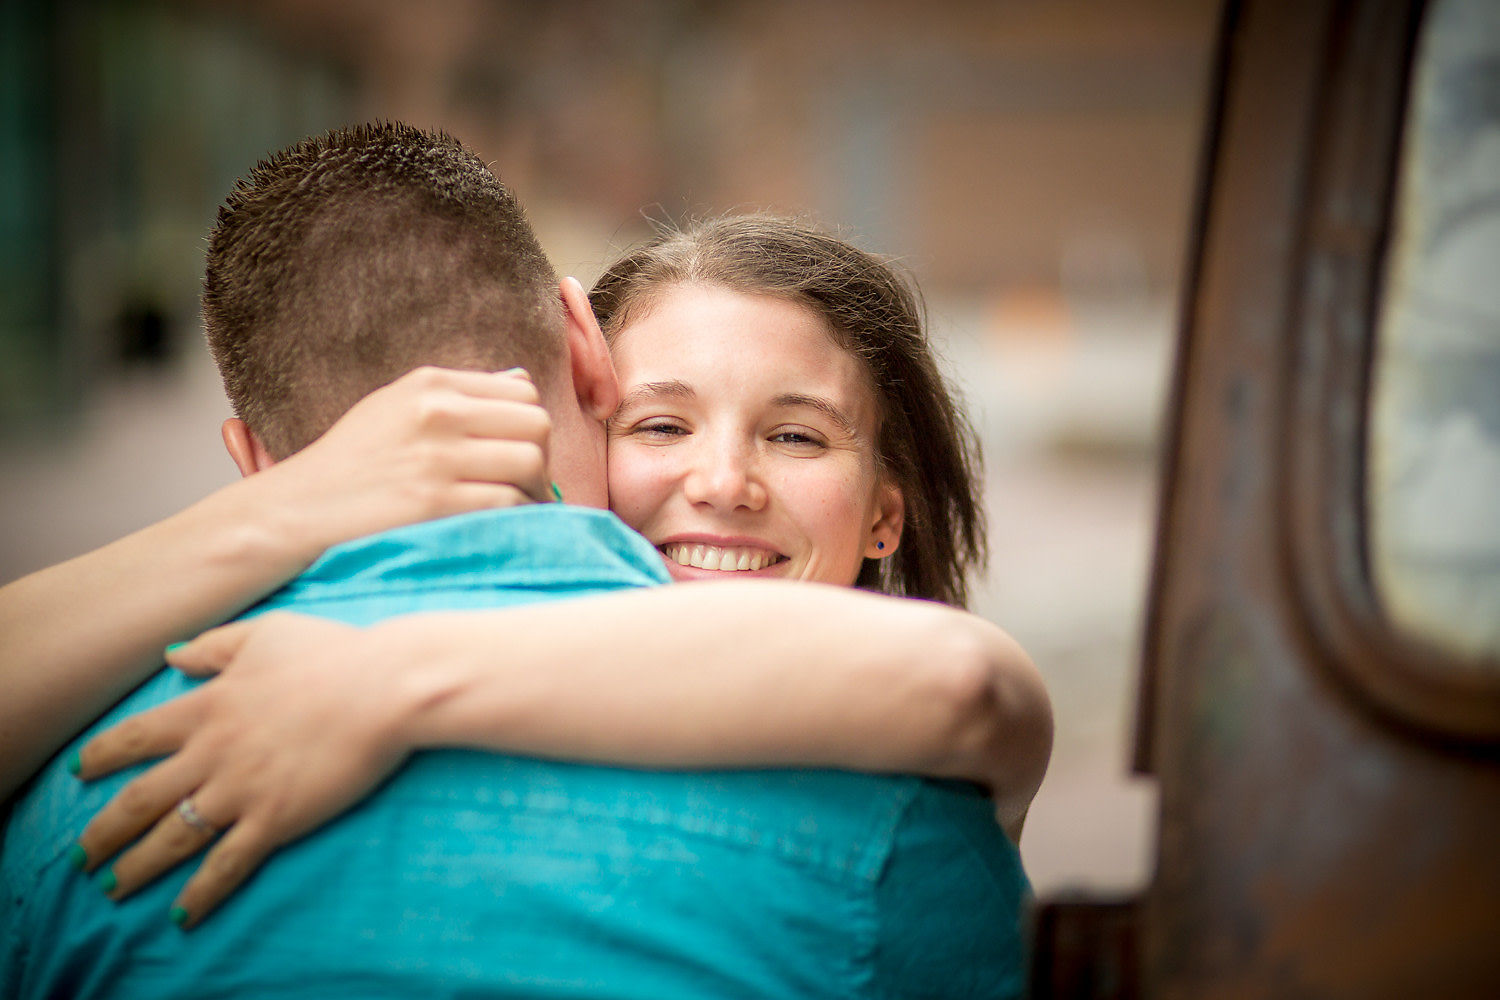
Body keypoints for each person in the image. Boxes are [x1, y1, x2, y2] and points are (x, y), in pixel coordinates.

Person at [1, 123, 1049, 998]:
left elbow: (967, 685)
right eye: (660, 426)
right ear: (585, 352)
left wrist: (383, 672)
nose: (724, 483)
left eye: (798, 435)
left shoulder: (83, 791)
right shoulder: (897, 816)